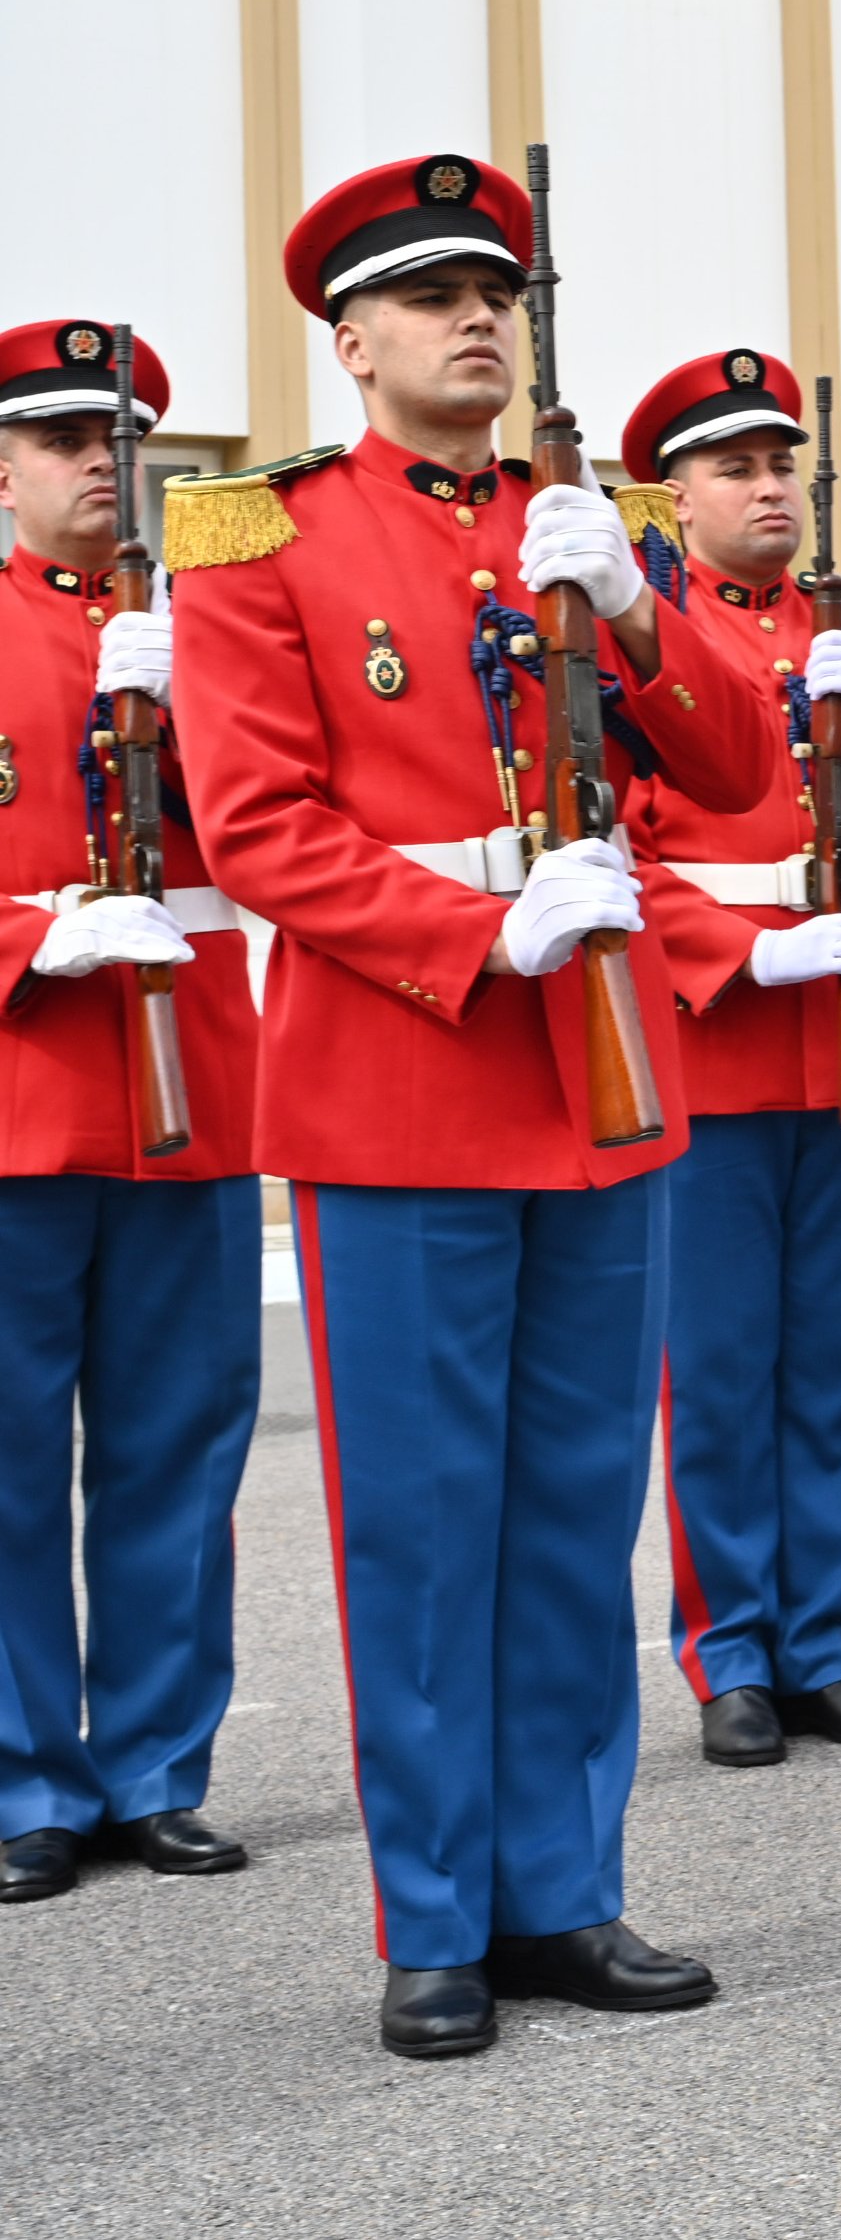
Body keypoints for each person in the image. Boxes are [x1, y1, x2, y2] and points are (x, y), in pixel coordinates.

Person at [179, 154, 782, 2056]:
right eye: (434, 294)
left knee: (576, 1509)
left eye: (497, 292)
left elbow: (743, 760)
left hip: (598, 1081)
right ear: (349, 339)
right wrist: (477, 921)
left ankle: (564, 1888)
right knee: (429, 1523)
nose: (476, 321)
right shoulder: (261, 541)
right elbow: (260, 826)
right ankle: (435, 1913)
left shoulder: (588, 530)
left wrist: (641, 605)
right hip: (409, 1080)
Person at [618, 348, 841, 1768]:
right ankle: (730, 1657)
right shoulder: (633, 641)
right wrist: (736, 951)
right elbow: (605, 842)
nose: (766, 488)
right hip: (722, 1035)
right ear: (677, 496)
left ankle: (822, 1640)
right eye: (733, 468)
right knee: (717, 1367)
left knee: (836, 1363)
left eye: (780, 465)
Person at [0, 321, 263, 1904]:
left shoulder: (206, 626)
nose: (104, 464)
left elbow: (294, 821)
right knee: (10, 1464)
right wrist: (35, 934)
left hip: (190, 1095)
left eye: (124, 440)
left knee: (175, 1452)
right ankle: (29, 1777)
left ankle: (159, 1767)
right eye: (64, 439)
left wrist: (197, 711)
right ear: (4, 466)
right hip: (21, 1100)